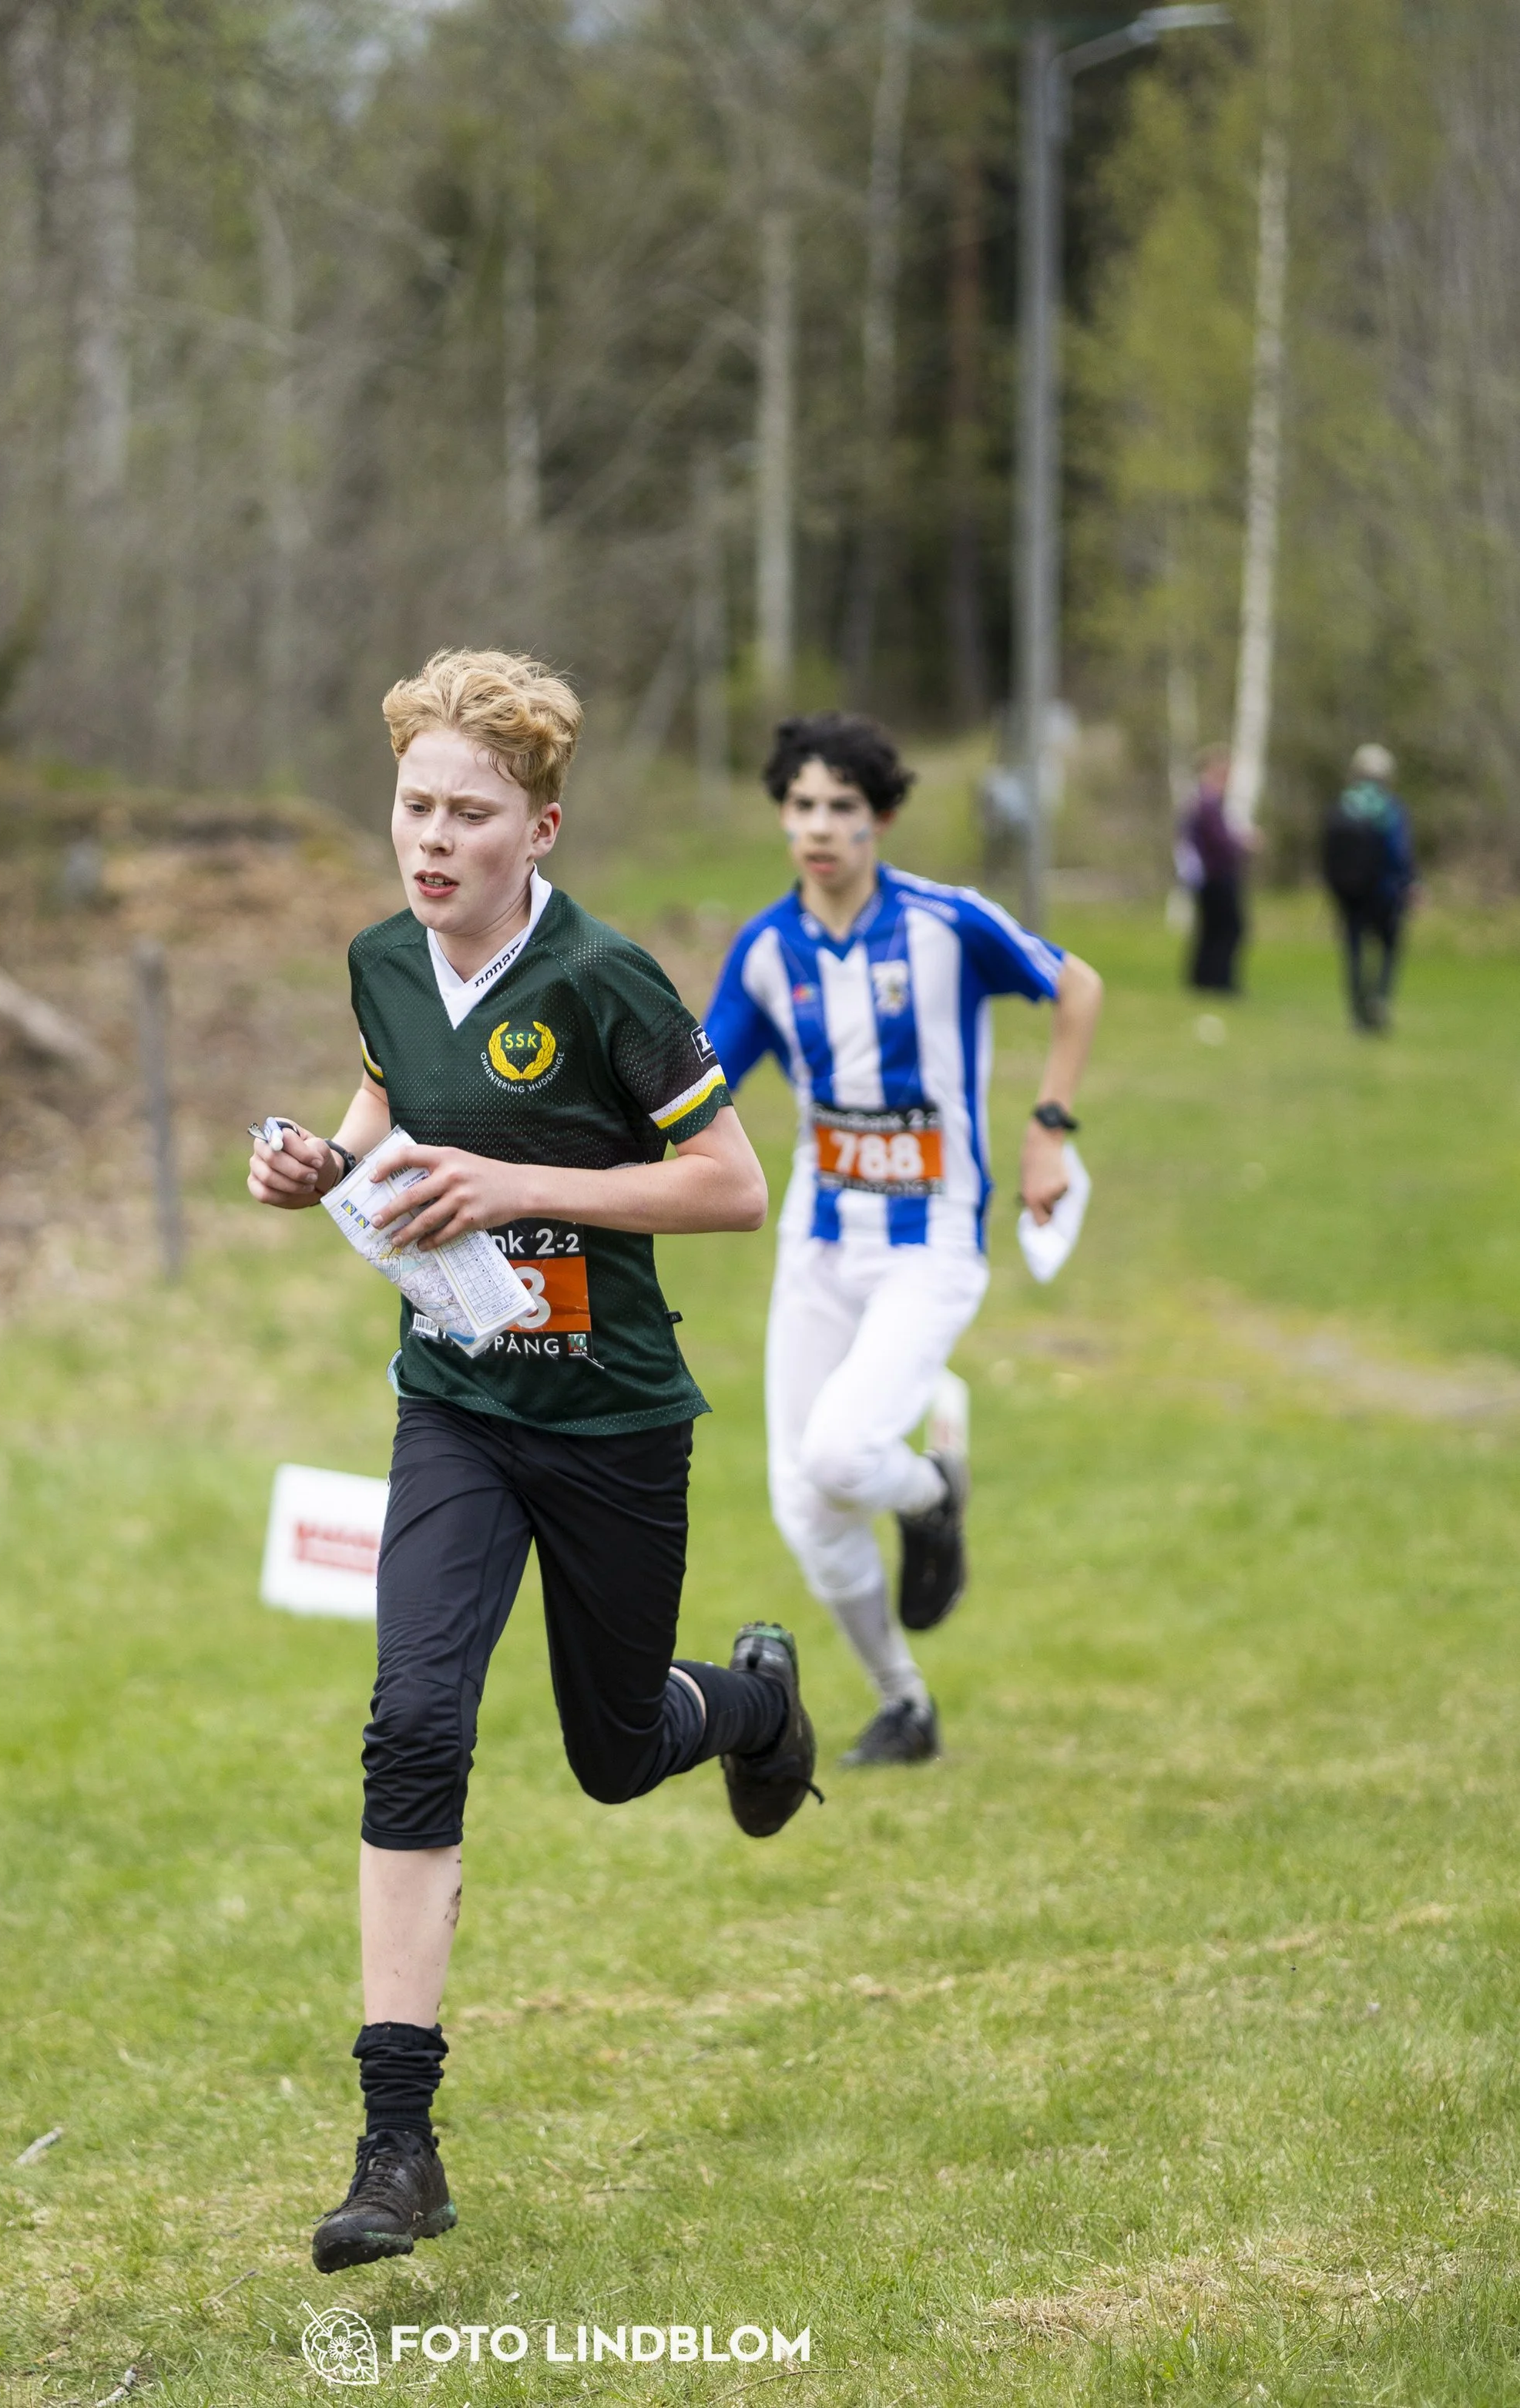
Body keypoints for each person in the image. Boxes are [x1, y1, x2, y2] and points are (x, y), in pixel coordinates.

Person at [247, 650, 820, 2277]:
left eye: (467, 813)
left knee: (611, 1745)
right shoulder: (376, 958)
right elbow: (382, 1091)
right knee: (410, 1722)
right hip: (455, 1401)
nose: (429, 839)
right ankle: (396, 2143)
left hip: (614, 1417)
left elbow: (728, 1185)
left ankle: (755, 1701)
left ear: (537, 824)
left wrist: (508, 1185)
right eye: (413, 805)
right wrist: (320, 1162)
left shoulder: (605, 980)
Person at [705, 712, 1102, 1768]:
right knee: (804, 1500)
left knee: (842, 1454)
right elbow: (695, 1090)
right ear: (782, 816)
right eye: (802, 807)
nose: (821, 827)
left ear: (879, 818)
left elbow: (1078, 985)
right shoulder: (765, 951)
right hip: (820, 1242)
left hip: (932, 1248)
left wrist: (1049, 1128)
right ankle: (905, 1704)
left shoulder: (945, 922)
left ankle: (933, 1495)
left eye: (843, 807)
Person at [1321, 743, 1416, 1032]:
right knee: (1388, 947)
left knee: (1354, 949)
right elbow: (1399, 851)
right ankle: (1379, 999)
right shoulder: (1390, 808)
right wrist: (1410, 882)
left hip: (1348, 893)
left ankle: (1356, 1011)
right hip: (1385, 891)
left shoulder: (1343, 805)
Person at [1177, 744, 1254, 993]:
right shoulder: (1207, 802)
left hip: (1208, 874)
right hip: (1215, 874)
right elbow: (1218, 840)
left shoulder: (1204, 800)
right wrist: (1242, 842)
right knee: (1228, 928)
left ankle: (1205, 980)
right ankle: (1218, 981)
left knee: (1211, 928)